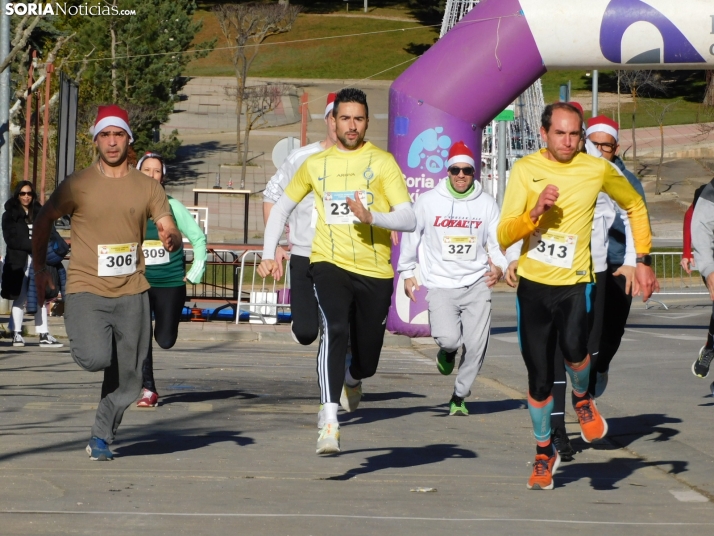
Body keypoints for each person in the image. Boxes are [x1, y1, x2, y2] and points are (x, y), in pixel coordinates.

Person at [498, 102, 656, 490]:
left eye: (575, 134)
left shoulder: (596, 168)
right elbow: (504, 233)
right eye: (560, 134)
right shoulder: (525, 170)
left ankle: (583, 399)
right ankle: (543, 452)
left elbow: (633, 203)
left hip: (576, 280)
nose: (568, 142)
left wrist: (645, 259)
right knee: (538, 380)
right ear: (543, 133)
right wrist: (533, 214)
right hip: (534, 286)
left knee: (573, 346)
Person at [257, 88, 415, 454]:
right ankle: (329, 420)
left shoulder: (384, 162)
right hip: (327, 261)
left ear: (366, 122)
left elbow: (409, 217)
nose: (351, 125)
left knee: (367, 358)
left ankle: (354, 378)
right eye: (345, 118)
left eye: (358, 119)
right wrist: (270, 252)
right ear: (334, 121)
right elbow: (279, 207)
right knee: (335, 328)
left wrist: (373, 217)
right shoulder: (314, 163)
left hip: (374, 270)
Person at [31, 105, 182, 461]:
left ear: (128, 139)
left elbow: (166, 221)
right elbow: (43, 218)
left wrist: (170, 236)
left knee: (131, 382)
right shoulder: (78, 184)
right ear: (96, 140)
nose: (112, 143)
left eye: (118, 135)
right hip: (86, 286)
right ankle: (107, 350)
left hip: (133, 290)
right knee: (96, 356)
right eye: (105, 135)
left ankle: (100, 436)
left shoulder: (146, 186)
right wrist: (40, 270)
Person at [398, 141, 507, 415]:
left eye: (467, 170)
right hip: (441, 285)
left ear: (474, 173)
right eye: (455, 170)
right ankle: (446, 352)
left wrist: (500, 266)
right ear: (447, 172)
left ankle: (459, 395)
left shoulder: (486, 204)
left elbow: (495, 243)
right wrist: (407, 272)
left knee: (476, 346)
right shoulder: (428, 201)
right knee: (449, 340)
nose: (461, 175)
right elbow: (411, 235)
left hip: (477, 284)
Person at [128, 152, 207, 407]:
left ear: (163, 176)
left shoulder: (172, 206)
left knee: (164, 339)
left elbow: (198, 238)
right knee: (141, 335)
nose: (151, 175)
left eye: (157, 171)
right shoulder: (130, 205)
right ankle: (148, 389)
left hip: (170, 282)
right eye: (147, 170)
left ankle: (166, 332)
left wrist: (195, 272)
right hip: (139, 281)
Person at [262, 93, 337, 345]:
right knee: (306, 333)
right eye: (335, 117)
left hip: (345, 256)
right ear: (327, 120)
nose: (343, 124)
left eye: (351, 118)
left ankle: (343, 376)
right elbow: (272, 197)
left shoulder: (367, 160)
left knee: (339, 328)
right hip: (305, 253)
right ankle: (305, 320)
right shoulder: (301, 158)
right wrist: (276, 248)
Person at [1, 181, 63, 347]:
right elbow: (12, 240)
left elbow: (49, 232)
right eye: (22, 193)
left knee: (41, 297)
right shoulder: (9, 214)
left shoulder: (40, 213)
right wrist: (35, 244)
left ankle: (43, 334)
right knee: (20, 298)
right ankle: (17, 334)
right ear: (17, 195)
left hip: (39, 260)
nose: (26, 196)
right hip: (18, 262)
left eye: (29, 193)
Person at [689, 179, 714, 386]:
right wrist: (708, 269)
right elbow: (699, 228)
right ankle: (710, 348)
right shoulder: (710, 192)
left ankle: (711, 346)